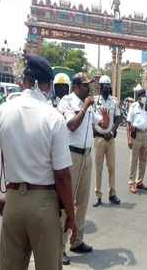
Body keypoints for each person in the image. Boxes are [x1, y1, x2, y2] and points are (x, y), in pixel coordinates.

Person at [0, 55, 77, 270]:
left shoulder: (3, 111)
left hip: (12, 201)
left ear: (24, 81)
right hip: (43, 203)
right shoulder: (53, 117)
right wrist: (71, 215)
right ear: (46, 84)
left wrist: (1, 195)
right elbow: (62, 176)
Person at [58, 72, 110, 260]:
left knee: (82, 202)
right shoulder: (67, 101)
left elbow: (101, 124)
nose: (90, 87)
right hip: (72, 156)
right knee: (66, 202)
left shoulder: (88, 104)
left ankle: (77, 241)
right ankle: (60, 246)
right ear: (77, 86)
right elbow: (71, 125)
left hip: (87, 156)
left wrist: (106, 121)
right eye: (86, 84)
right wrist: (85, 107)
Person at [92, 75, 122, 207]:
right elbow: (91, 118)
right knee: (98, 168)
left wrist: (113, 131)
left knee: (111, 167)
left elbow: (119, 118)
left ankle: (112, 194)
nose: (106, 88)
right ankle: (98, 195)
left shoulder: (114, 101)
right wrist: (95, 130)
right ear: (100, 87)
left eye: (108, 86)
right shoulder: (94, 101)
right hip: (99, 138)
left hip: (110, 139)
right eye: (103, 86)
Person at [127, 85, 147, 194]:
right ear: (138, 97)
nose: (144, 98)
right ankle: (132, 183)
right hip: (136, 134)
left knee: (143, 160)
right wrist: (129, 139)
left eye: (145, 96)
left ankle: (139, 181)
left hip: (145, 134)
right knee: (134, 160)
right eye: (142, 96)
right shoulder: (133, 107)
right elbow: (128, 123)